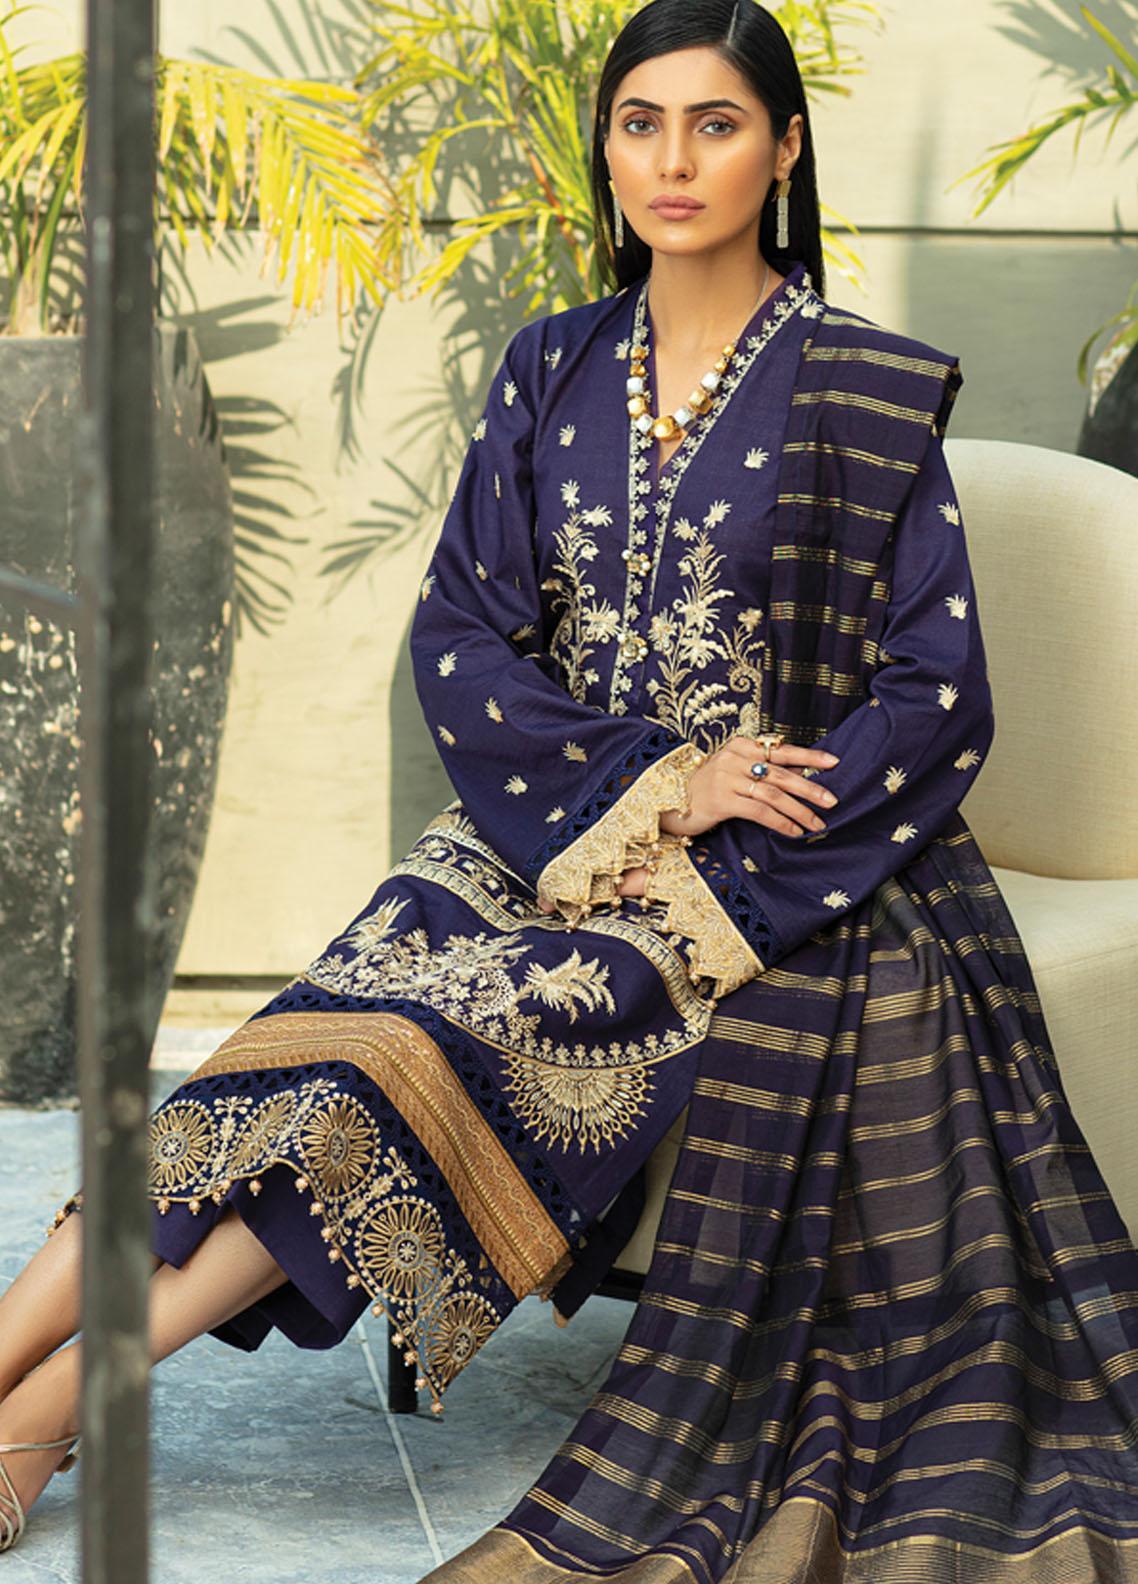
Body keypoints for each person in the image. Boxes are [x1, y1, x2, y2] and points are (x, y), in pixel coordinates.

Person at [5, 0, 1138, 1576]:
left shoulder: (859, 389)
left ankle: (51, 1410)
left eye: (715, 124)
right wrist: (655, 779)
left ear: (783, 149)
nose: (672, 160)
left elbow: (935, 690)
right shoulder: (552, 366)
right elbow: (462, 634)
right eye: (639, 123)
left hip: (757, 871)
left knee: (398, 1064)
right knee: (297, 1046)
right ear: (607, 148)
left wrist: (743, 800)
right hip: (543, 826)